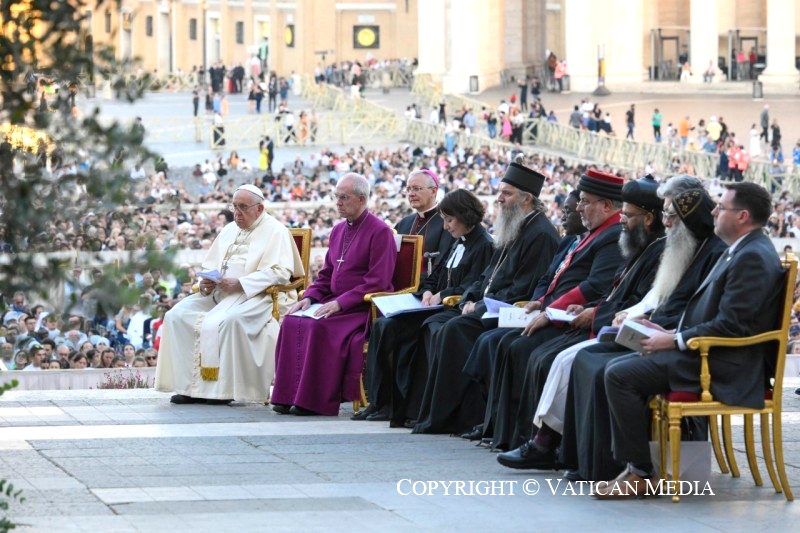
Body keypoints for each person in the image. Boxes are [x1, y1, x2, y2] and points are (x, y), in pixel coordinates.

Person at [596, 181, 782, 498]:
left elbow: (732, 325)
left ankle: (639, 473)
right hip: (707, 353)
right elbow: (714, 314)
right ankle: (638, 468)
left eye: (721, 207)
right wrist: (669, 332)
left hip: (724, 364)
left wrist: (675, 340)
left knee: (619, 375)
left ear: (743, 216)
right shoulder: (741, 248)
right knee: (622, 363)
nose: (714, 211)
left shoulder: (752, 256)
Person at [559, 178, 726, 484]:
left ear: (688, 218)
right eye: (664, 215)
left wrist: (663, 328)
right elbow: (668, 301)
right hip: (666, 332)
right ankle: (593, 463)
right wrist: (648, 320)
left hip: (687, 346)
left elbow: (701, 311)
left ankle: (627, 469)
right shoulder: (684, 246)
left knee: (604, 366)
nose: (666, 223)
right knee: (589, 356)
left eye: (671, 217)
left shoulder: (714, 252)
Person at [494, 175, 666, 467]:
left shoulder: (649, 248)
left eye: (629, 214)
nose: (623, 220)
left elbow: (631, 299)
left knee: (556, 358)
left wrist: (593, 313)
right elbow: (617, 293)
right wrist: (581, 308)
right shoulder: (639, 246)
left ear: (649, 219)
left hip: (628, 331)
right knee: (545, 354)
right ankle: (541, 442)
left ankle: (553, 447)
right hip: (606, 321)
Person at [479, 169, 626, 450]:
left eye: (584, 202)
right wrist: (540, 303)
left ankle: (531, 438)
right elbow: (553, 275)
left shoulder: (612, 235)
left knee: (522, 348)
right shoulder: (592, 233)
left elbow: (593, 286)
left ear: (606, 206)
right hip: (554, 312)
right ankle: (504, 432)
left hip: (574, 318)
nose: (579, 208)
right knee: (509, 343)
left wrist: (549, 311)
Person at [411, 161, 561, 435]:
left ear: (526, 199)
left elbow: (523, 288)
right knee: (441, 325)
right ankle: (442, 416)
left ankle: (458, 417)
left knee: (453, 329)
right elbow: (486, 276)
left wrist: (478, 306)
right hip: (486, 306)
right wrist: (470, 297)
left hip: (508, 311)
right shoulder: (514, 226)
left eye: (507, 193)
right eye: (500, 192)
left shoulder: (540, 234)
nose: (499, 198)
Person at [155, 184, 305, 405]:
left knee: (228, 322)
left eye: (243, 207)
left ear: (260, 208)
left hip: (257, 295)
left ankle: (221, 391)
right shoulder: (228, 230)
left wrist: (242, 283)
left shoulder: (276, 231)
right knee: (176, 316)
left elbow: (281, 272)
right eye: (234, 207)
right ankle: (188, 388)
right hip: (220, 293)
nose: (237, 213)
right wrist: (204, 282)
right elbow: (210, 264)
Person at [355, 189, 494, 423]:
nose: (447, 227)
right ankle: (382, 402)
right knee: (384, 325)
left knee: (412, 331)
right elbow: (436, 274)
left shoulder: (484, 245)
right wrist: (429, 289)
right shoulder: (458, 241)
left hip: (451, 309)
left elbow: (474, 285)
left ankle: (411, 408)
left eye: (450, 220)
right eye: (444, 220)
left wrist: (444, 294)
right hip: (432, 304)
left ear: (465, 216)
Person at [271, 174, 397, 416]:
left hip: (359, 309)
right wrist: (309, 297)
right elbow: (327, 274)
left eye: (343, 197)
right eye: (336, 196)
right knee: (292, 320)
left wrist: (340, 303)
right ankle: (287, 396)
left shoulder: (380, 232)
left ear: (361, 199)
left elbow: (378, 282)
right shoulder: (338, 230)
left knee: (318, 327)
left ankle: (314, 401)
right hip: (334, 304)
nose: (337, 202)